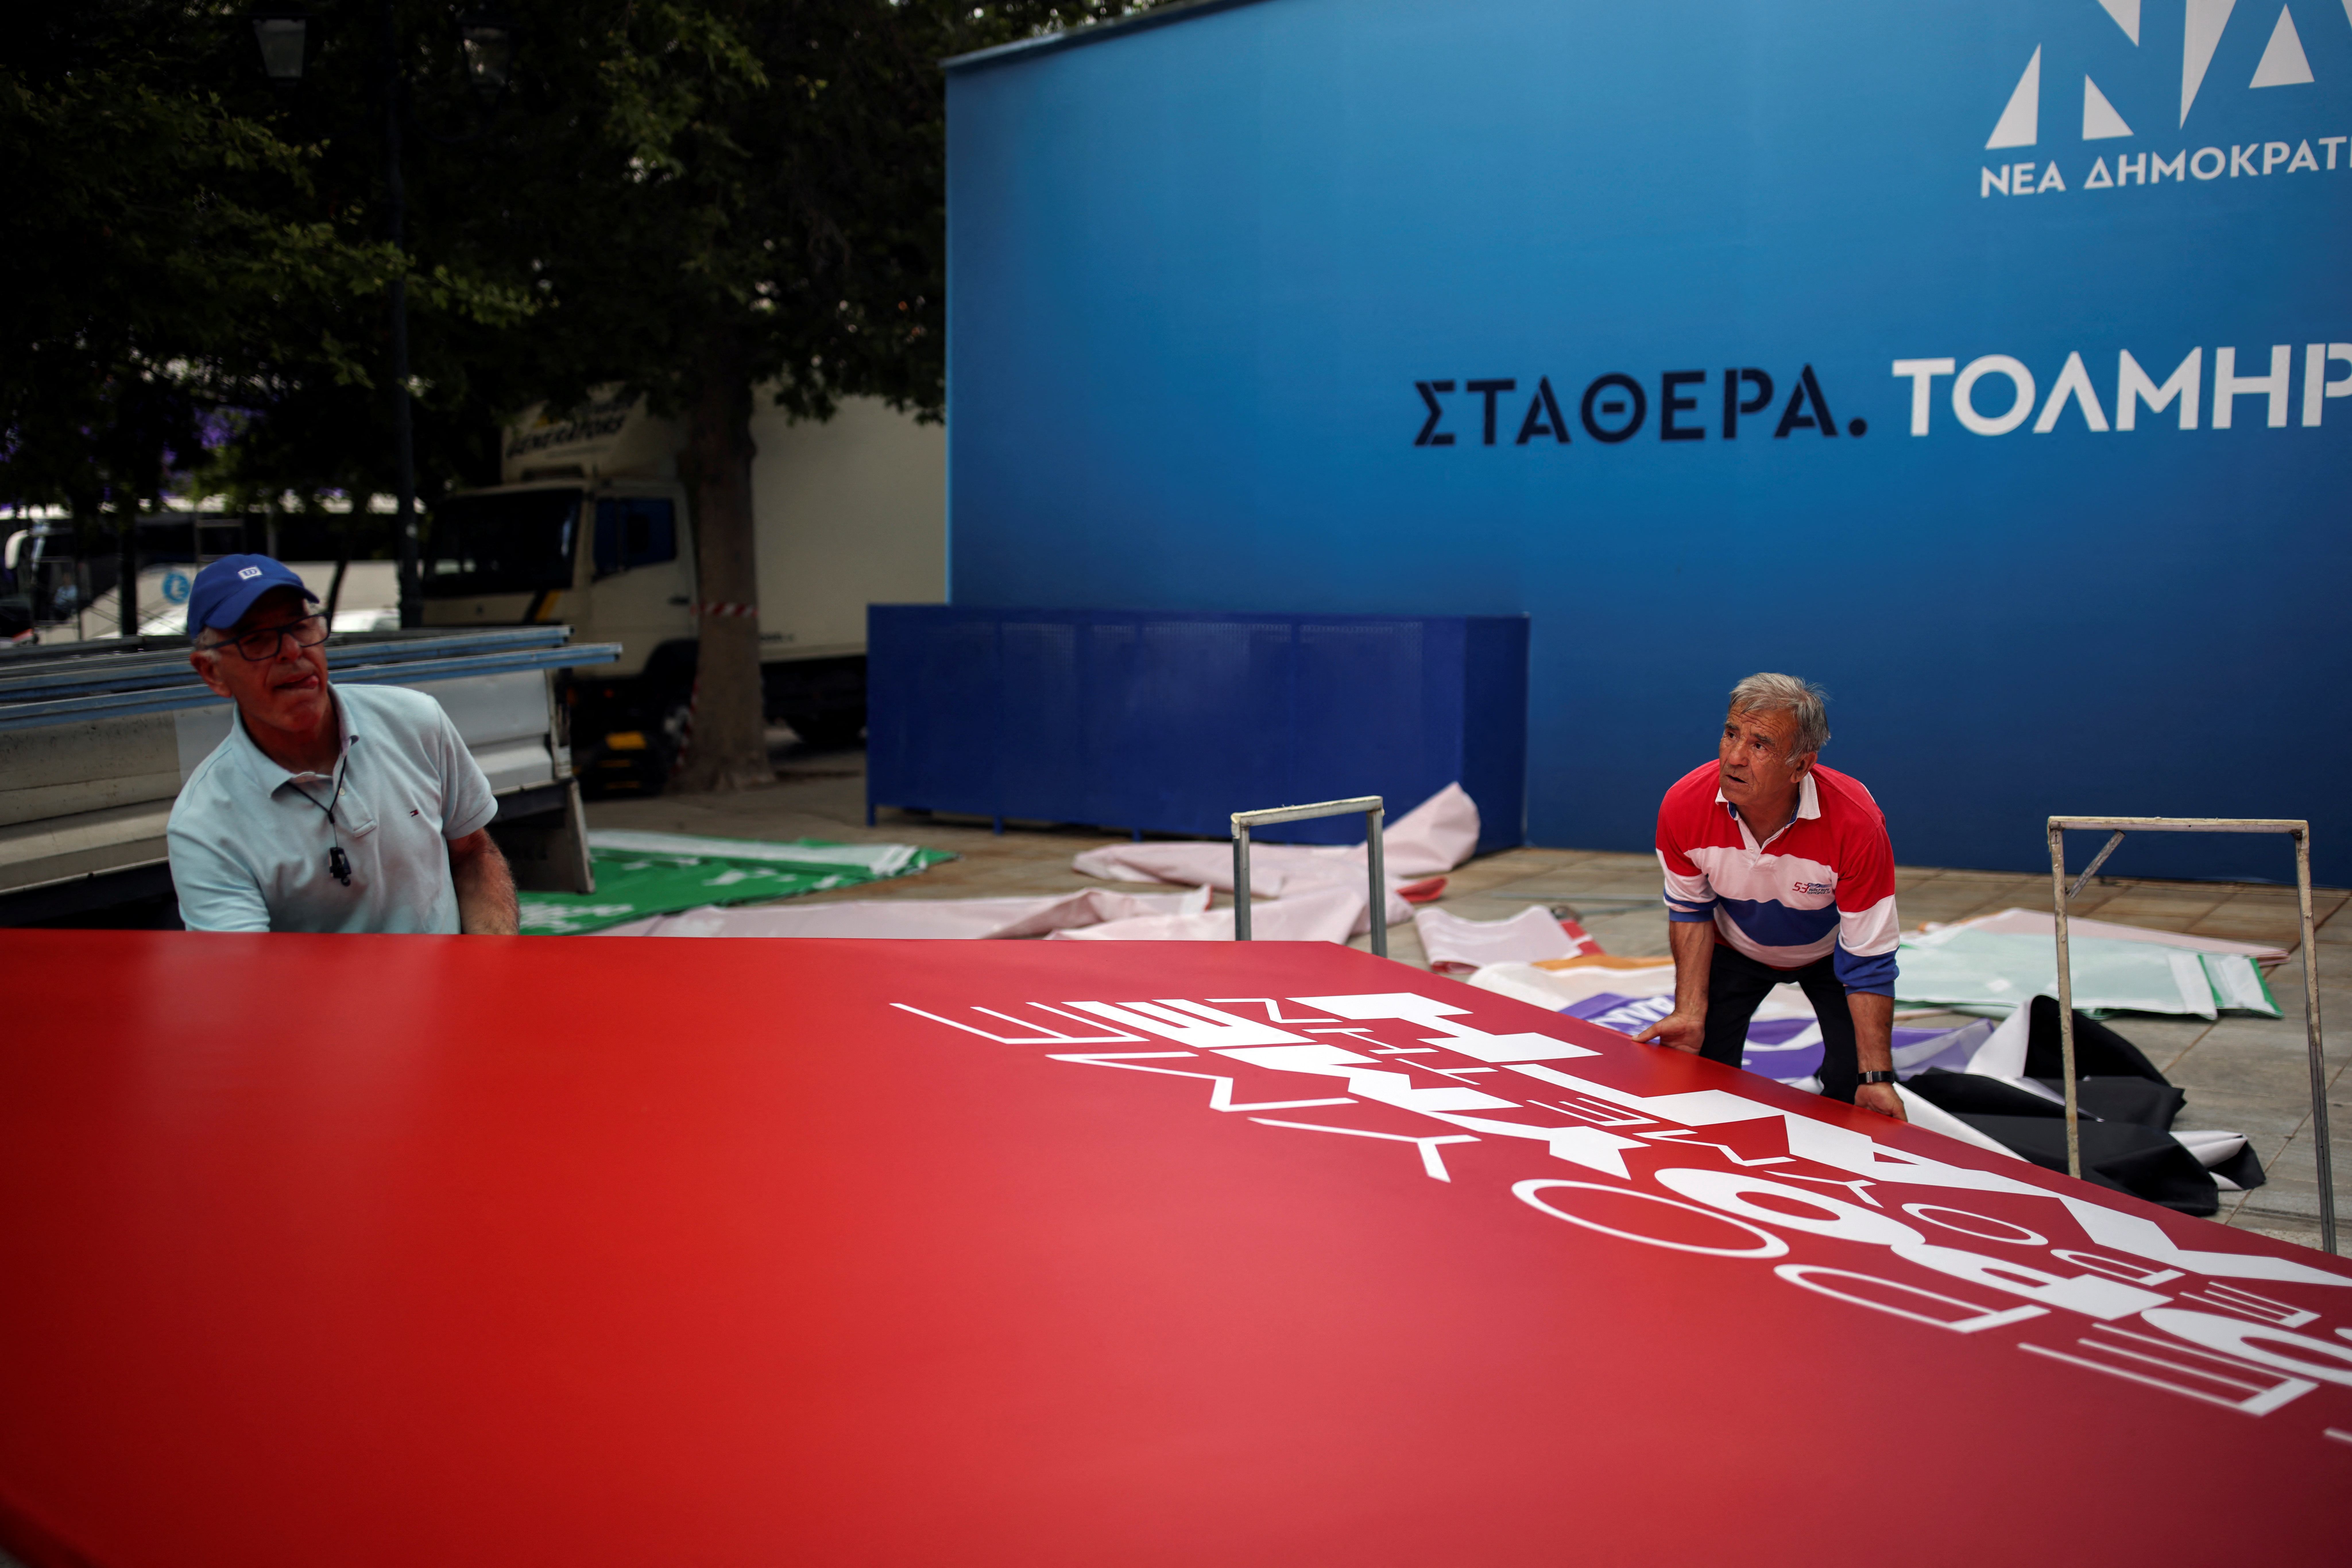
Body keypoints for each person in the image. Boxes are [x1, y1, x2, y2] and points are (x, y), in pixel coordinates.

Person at [167, 555, 520, 934]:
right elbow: (246, 968)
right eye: (257, 640)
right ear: (212, 672)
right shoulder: (205, 825)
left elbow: (471, 852)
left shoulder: (414, 721)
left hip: (448, 976)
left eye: (300, 626)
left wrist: (491, 964)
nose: (292, 651)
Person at [1634, 673, 1905, 1120]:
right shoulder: (1683, 804)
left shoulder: (1857, 824)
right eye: (1731, 734)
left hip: (1830, 955)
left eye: (1760, 745)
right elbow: (1691, 911)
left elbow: (1869, 955)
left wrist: (1877, 1076)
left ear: (1801, 767)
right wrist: (1689, 1011)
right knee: (1700, 1071)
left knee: (1855, 1088)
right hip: (1734, 946)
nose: (1734, 757)